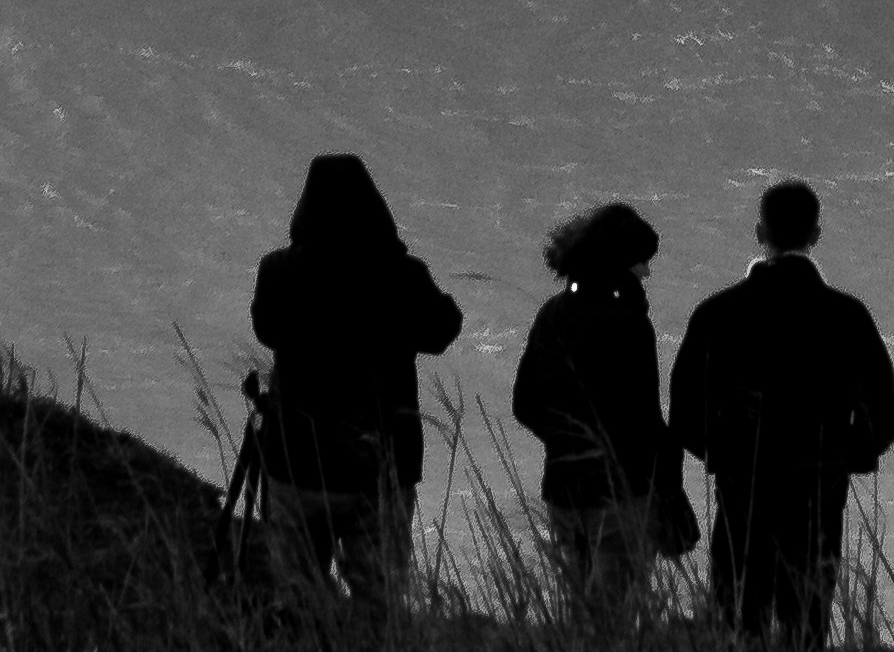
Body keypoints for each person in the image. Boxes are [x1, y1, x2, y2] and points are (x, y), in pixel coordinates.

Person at [667, 181, 894, 652]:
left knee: (740, 619)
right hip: (818, 492)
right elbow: (883, 407)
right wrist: (846, 457)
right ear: (816, 234)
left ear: (759, 232)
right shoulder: (846, 315)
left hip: (742, 490)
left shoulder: (718, 313)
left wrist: (722, 453)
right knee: (808, 624)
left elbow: (684, 410)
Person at [247, 154, 461, 600]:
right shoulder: (401, 275)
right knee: (378, 600)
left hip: (296, 461)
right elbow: (442, 330)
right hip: (379, 469)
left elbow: (267, 329)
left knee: (296, 598)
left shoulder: (278, 271)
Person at [511, 200, 690, 591]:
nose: (647, 270)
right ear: (620, 263)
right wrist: (668, 485)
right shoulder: (629, 322)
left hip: (563, 488)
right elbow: (642, 415)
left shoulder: (552, 313)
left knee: (579, 610)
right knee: (612, 615)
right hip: (622, 493)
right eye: (642, 261)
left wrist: (568, 441)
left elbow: (524, 403)